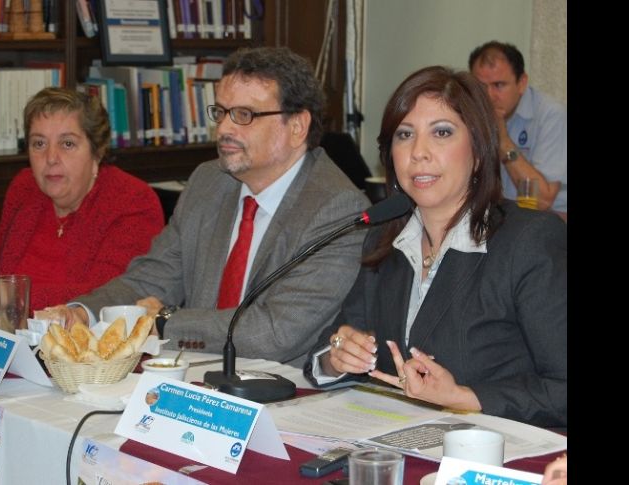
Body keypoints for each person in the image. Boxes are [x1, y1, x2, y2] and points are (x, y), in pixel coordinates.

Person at [46, 46, 369, 367]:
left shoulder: (336, 209)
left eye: (244, 115)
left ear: (297, 126)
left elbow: (274, 333)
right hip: (196, 377)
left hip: (284, 392)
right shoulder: (209, 181)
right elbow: (153, 278)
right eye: (221, 112)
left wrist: (165, 321)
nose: (225, 129)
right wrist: (83, 313)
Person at [303, 66, 567, 427]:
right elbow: (329, 346)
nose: (418, 152)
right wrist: (338, 355)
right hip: (399, 445)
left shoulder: (529, 241)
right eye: (404, 135)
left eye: (441, 133)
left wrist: (466, 397)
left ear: (478, 150)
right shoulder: (386, 239)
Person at [0, 87, 164, 315]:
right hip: (12, 334)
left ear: (97, 151)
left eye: (67, 143)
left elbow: (108, 295)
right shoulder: (25, 187)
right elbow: (1, 267)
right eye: (39, 143)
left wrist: (4, 296)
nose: (50, 158)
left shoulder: (132, 201)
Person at [469, 41, 567, 221]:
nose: (489, 96)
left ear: (521, 83)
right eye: (481, 87)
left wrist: (503, 141)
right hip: (502, 220)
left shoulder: (551, 115)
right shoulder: (471, 116)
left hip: (551, 223)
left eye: (499, 85)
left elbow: (542, 201)